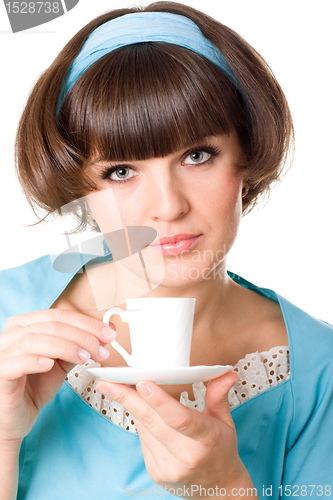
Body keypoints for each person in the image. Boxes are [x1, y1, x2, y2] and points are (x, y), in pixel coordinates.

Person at [0, 2, 332, 499]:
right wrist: (5, 437)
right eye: (120, 171)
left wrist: (226, 489)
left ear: (246, 156)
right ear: (82, 189)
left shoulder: (317, 369)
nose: (168, 207)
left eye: (197, 156)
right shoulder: (9, 315)